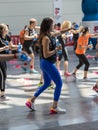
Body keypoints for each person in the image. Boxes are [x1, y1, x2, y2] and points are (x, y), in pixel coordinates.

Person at [25, 17, 71, 114]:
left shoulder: (51, 34)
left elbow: (60, 32)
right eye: (52, 24)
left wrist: (69, 29)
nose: (54, 26)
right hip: (47, 63)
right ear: (48, 25)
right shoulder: (45, 38)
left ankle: (31, 100)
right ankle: (54, 107)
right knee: (59, 84)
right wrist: (56, 49)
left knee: (46, 83)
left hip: (45, 63)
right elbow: (46, 54)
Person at [0, 24, 23, 100]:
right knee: (2, 75)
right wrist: (3, 48)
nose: (8, 29)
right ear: (2, 30)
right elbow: (4, 48)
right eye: (6, 28)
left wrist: (18, 46)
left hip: (4, 59)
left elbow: (11, 46)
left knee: (4, 76)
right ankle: (2, 95)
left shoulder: (7, 37)